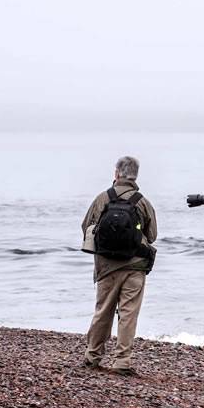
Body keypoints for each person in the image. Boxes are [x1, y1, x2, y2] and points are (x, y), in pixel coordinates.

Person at [81, 156, 157, 376]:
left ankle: (92, 356)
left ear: (116, 174)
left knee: (103, 311)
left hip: (106, 267)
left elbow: (86, 226)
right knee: (128, 314)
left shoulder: (102, 198)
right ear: (136, 175)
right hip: (135, 267)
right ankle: (122, 361)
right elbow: (151, 236)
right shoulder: (142, 202)